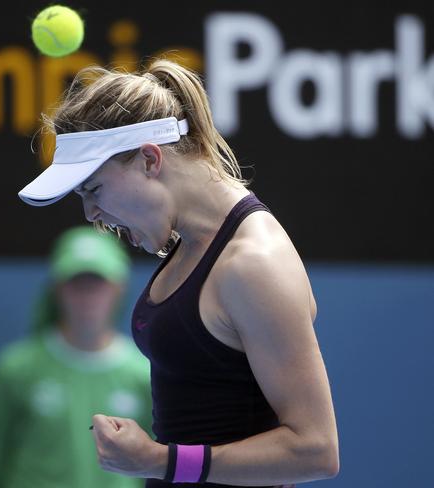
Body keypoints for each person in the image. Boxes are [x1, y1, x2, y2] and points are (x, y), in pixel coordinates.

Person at [18, 59, 339, 487]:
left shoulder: (252, 263)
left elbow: (315, 450)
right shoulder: (187, 240)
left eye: (93, 189)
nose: (91, 212)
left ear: (150, 160)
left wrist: (160, 461)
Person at [0, 227, 152, 488]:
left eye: (97, 283)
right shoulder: (16, 368)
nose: (87, 296)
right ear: (57, 289)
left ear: (118, 289)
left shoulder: (144, 373)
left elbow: (158, 465)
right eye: (77, 283)